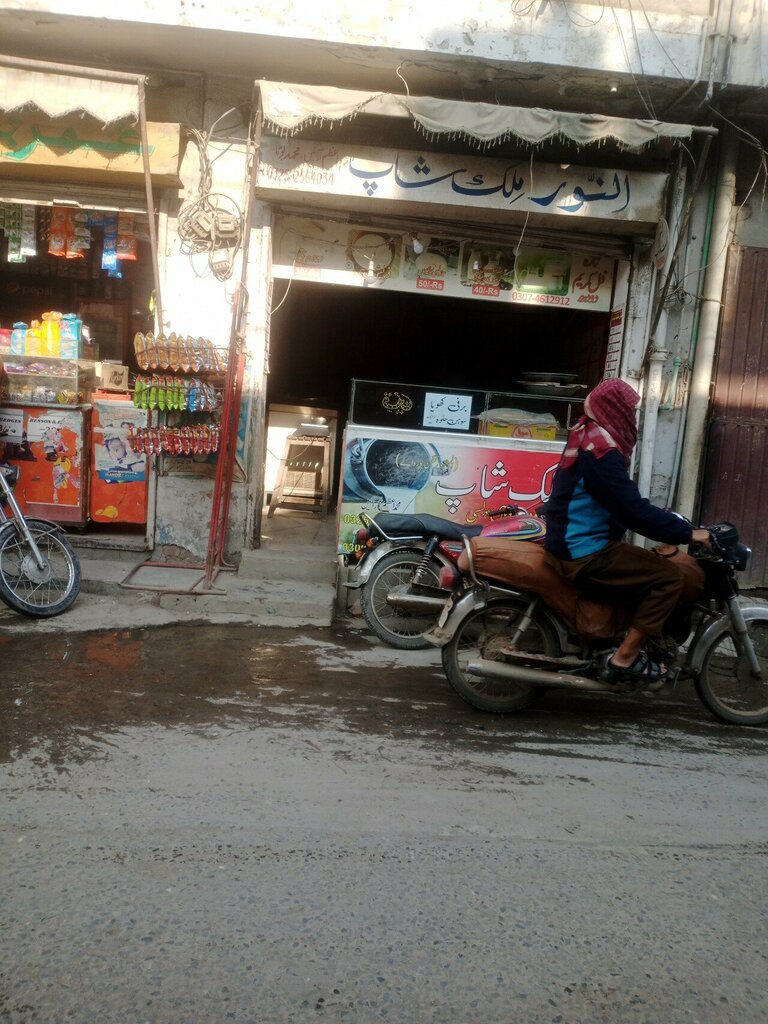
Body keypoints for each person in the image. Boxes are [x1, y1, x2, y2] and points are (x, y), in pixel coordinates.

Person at [544, 377, 710, 683]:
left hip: (572, 540)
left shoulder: (587, 435)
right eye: (628, 410)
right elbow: (632, 511)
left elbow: (623, 500)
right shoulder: (601, 453)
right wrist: (688, 534)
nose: (632, 417)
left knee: (644, 561)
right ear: (614, 409)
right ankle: (625, 657)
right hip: (585, 551)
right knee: (669, 577)